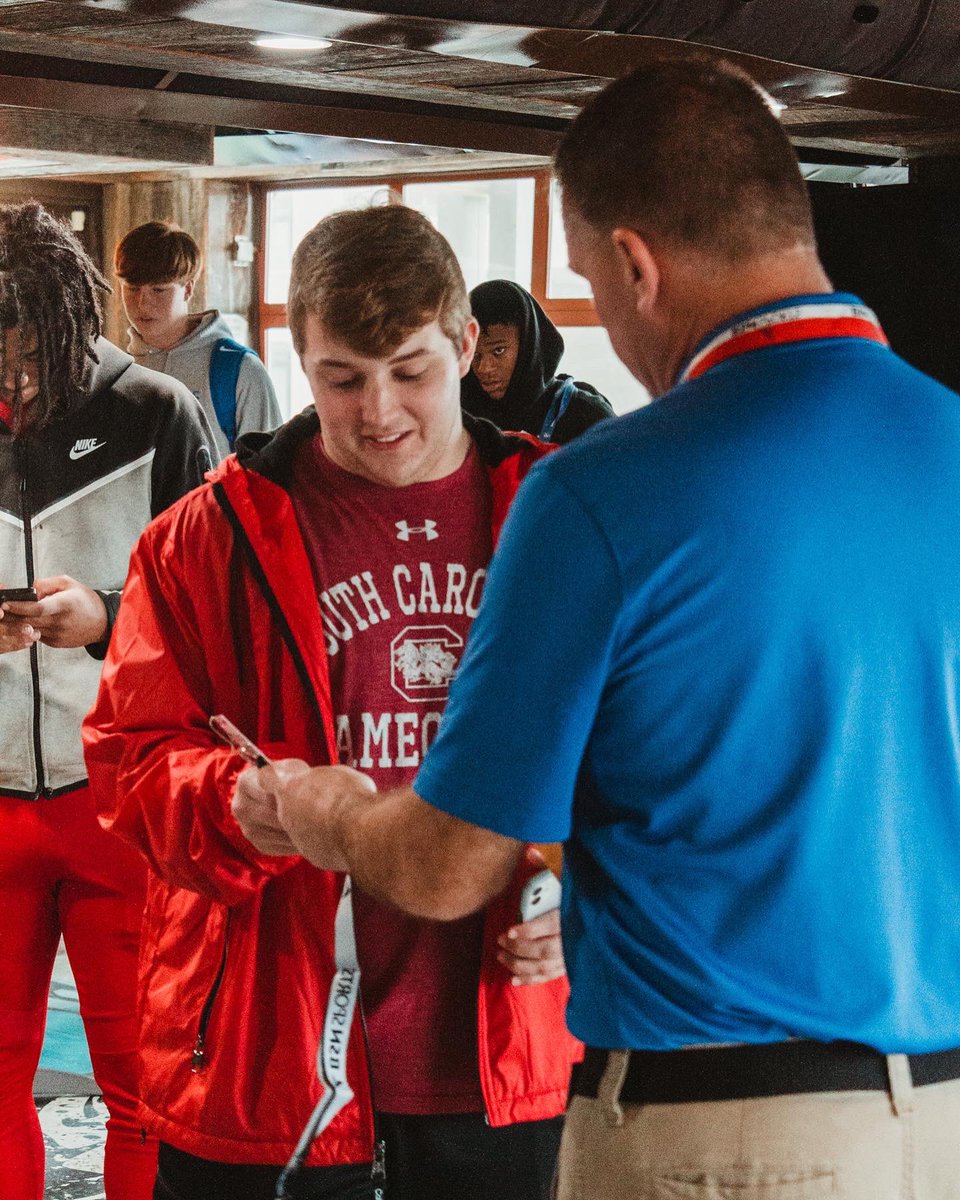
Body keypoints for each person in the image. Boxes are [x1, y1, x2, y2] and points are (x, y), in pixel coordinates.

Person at [252, 58, 960, 1200]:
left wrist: (326, 810)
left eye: (585, 272)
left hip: (722, 1131)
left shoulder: (600, 490)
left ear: (633, 262)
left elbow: (445, 864)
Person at [83, 204, 579, 1200]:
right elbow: (131, 757)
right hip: (265, 1049)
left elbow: (648, 760)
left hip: (505, 1042)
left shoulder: (564, 518)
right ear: (299, 358)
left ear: (466, 343)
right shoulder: (202, 539)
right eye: (343, 378)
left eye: (412, 372)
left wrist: (596, 902)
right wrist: (233, 803)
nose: (380, 412)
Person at [0, 202, 212, 1200]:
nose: (16, 386)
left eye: (31, 356)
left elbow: (224, 614)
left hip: (119, 800)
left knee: (142, 1083)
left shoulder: (157, 415)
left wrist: (109, 614)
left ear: (71, 321)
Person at [115, 220, 281, 460]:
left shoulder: (238, 370)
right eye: (132, 288)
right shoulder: (119, 371)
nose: (142, 303)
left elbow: (269, 475)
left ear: (188, 289)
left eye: (159, 290)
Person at [461, 279, 612, 443]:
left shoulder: (585, 416)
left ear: (530, 345)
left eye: (499, 350)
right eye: (475, 354)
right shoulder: (460, 417)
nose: (484, 368)